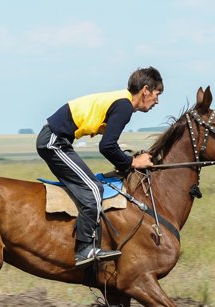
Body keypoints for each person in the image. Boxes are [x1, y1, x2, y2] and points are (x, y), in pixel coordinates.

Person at [37, 67, 163, 268]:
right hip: (54, 141)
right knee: (94, 189)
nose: (157, 101)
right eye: (157, 94)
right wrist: (133, 162)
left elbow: (109, 146)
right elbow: (107, 147)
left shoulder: (121, 102)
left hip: (59, 140)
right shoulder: (124, 106)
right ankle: (84, 249)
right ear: (146, 90)